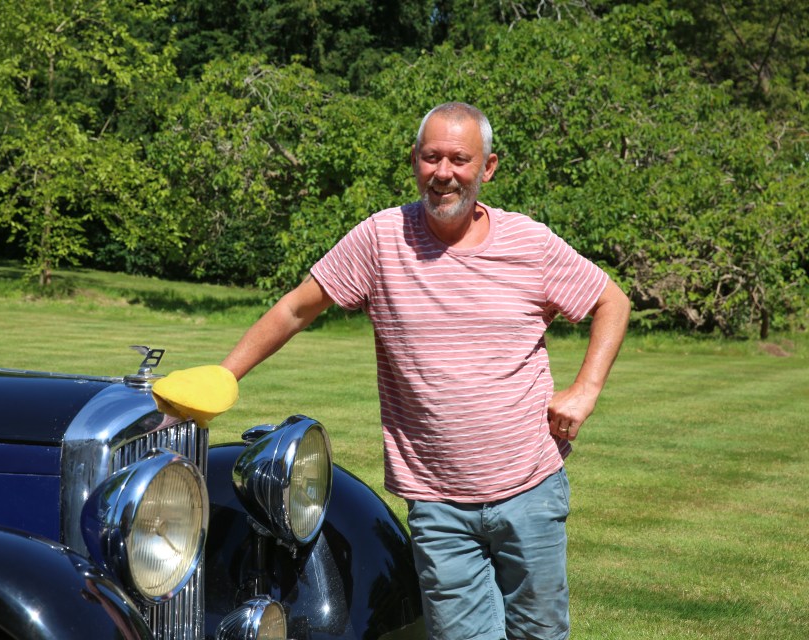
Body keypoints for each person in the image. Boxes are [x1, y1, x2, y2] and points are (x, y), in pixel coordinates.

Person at [221, 101, 630, 640]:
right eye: (431, 157)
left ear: (487, 168)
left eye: (459, 159)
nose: (443, 173)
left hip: (529, 488)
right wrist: (222, 378)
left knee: (540, 634)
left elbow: (611, 301)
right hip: (437, 502)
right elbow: (297, 308)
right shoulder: (379, 240)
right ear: (414, 160)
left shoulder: (529, 243)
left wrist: (586, 389)